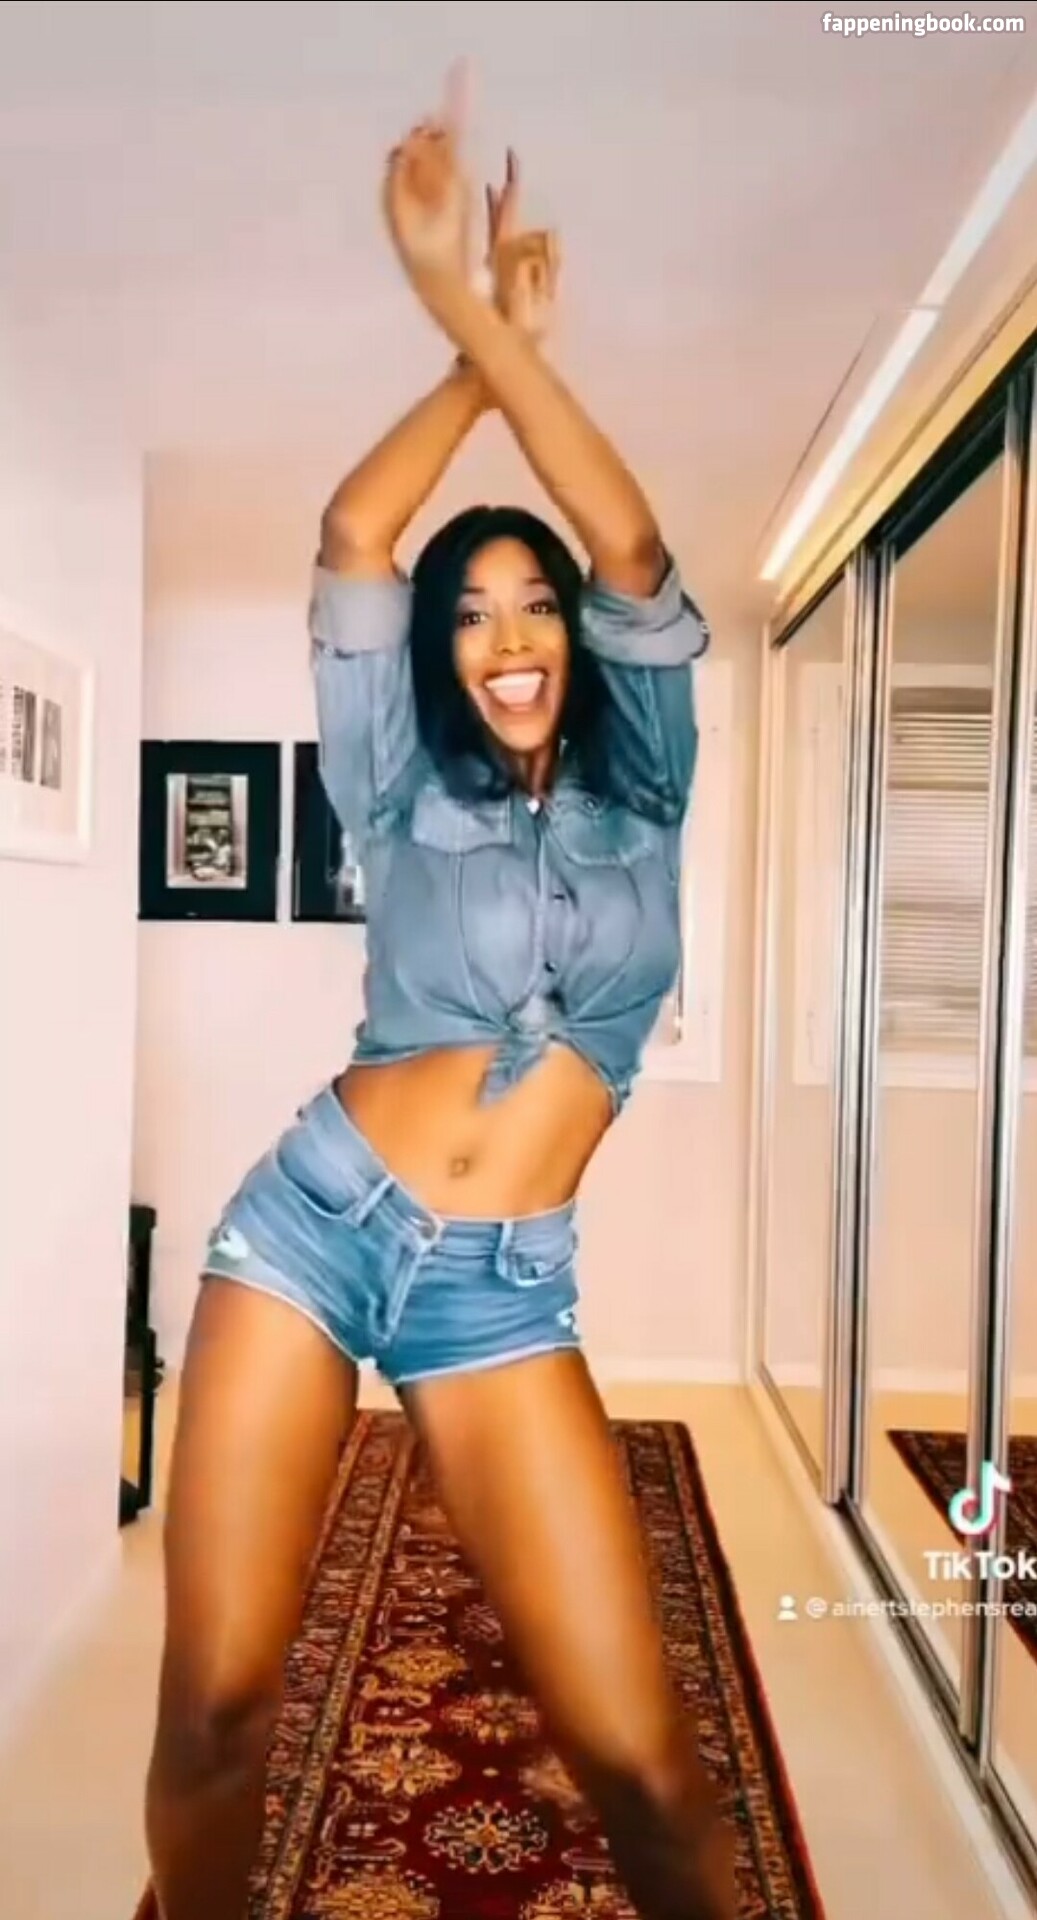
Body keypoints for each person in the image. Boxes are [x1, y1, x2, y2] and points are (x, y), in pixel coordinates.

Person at [144, 96, 736, 1920]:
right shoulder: (396, 789)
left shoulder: (648, 784)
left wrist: (500, 333)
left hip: (501, 1289)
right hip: (310, 1227)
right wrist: (466, 353)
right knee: (220, 1711)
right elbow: (352, 526)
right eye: (468, 612)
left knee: (648, 1773)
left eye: (530, 603)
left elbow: (632, 543)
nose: (507, 635)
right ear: (437, 652)